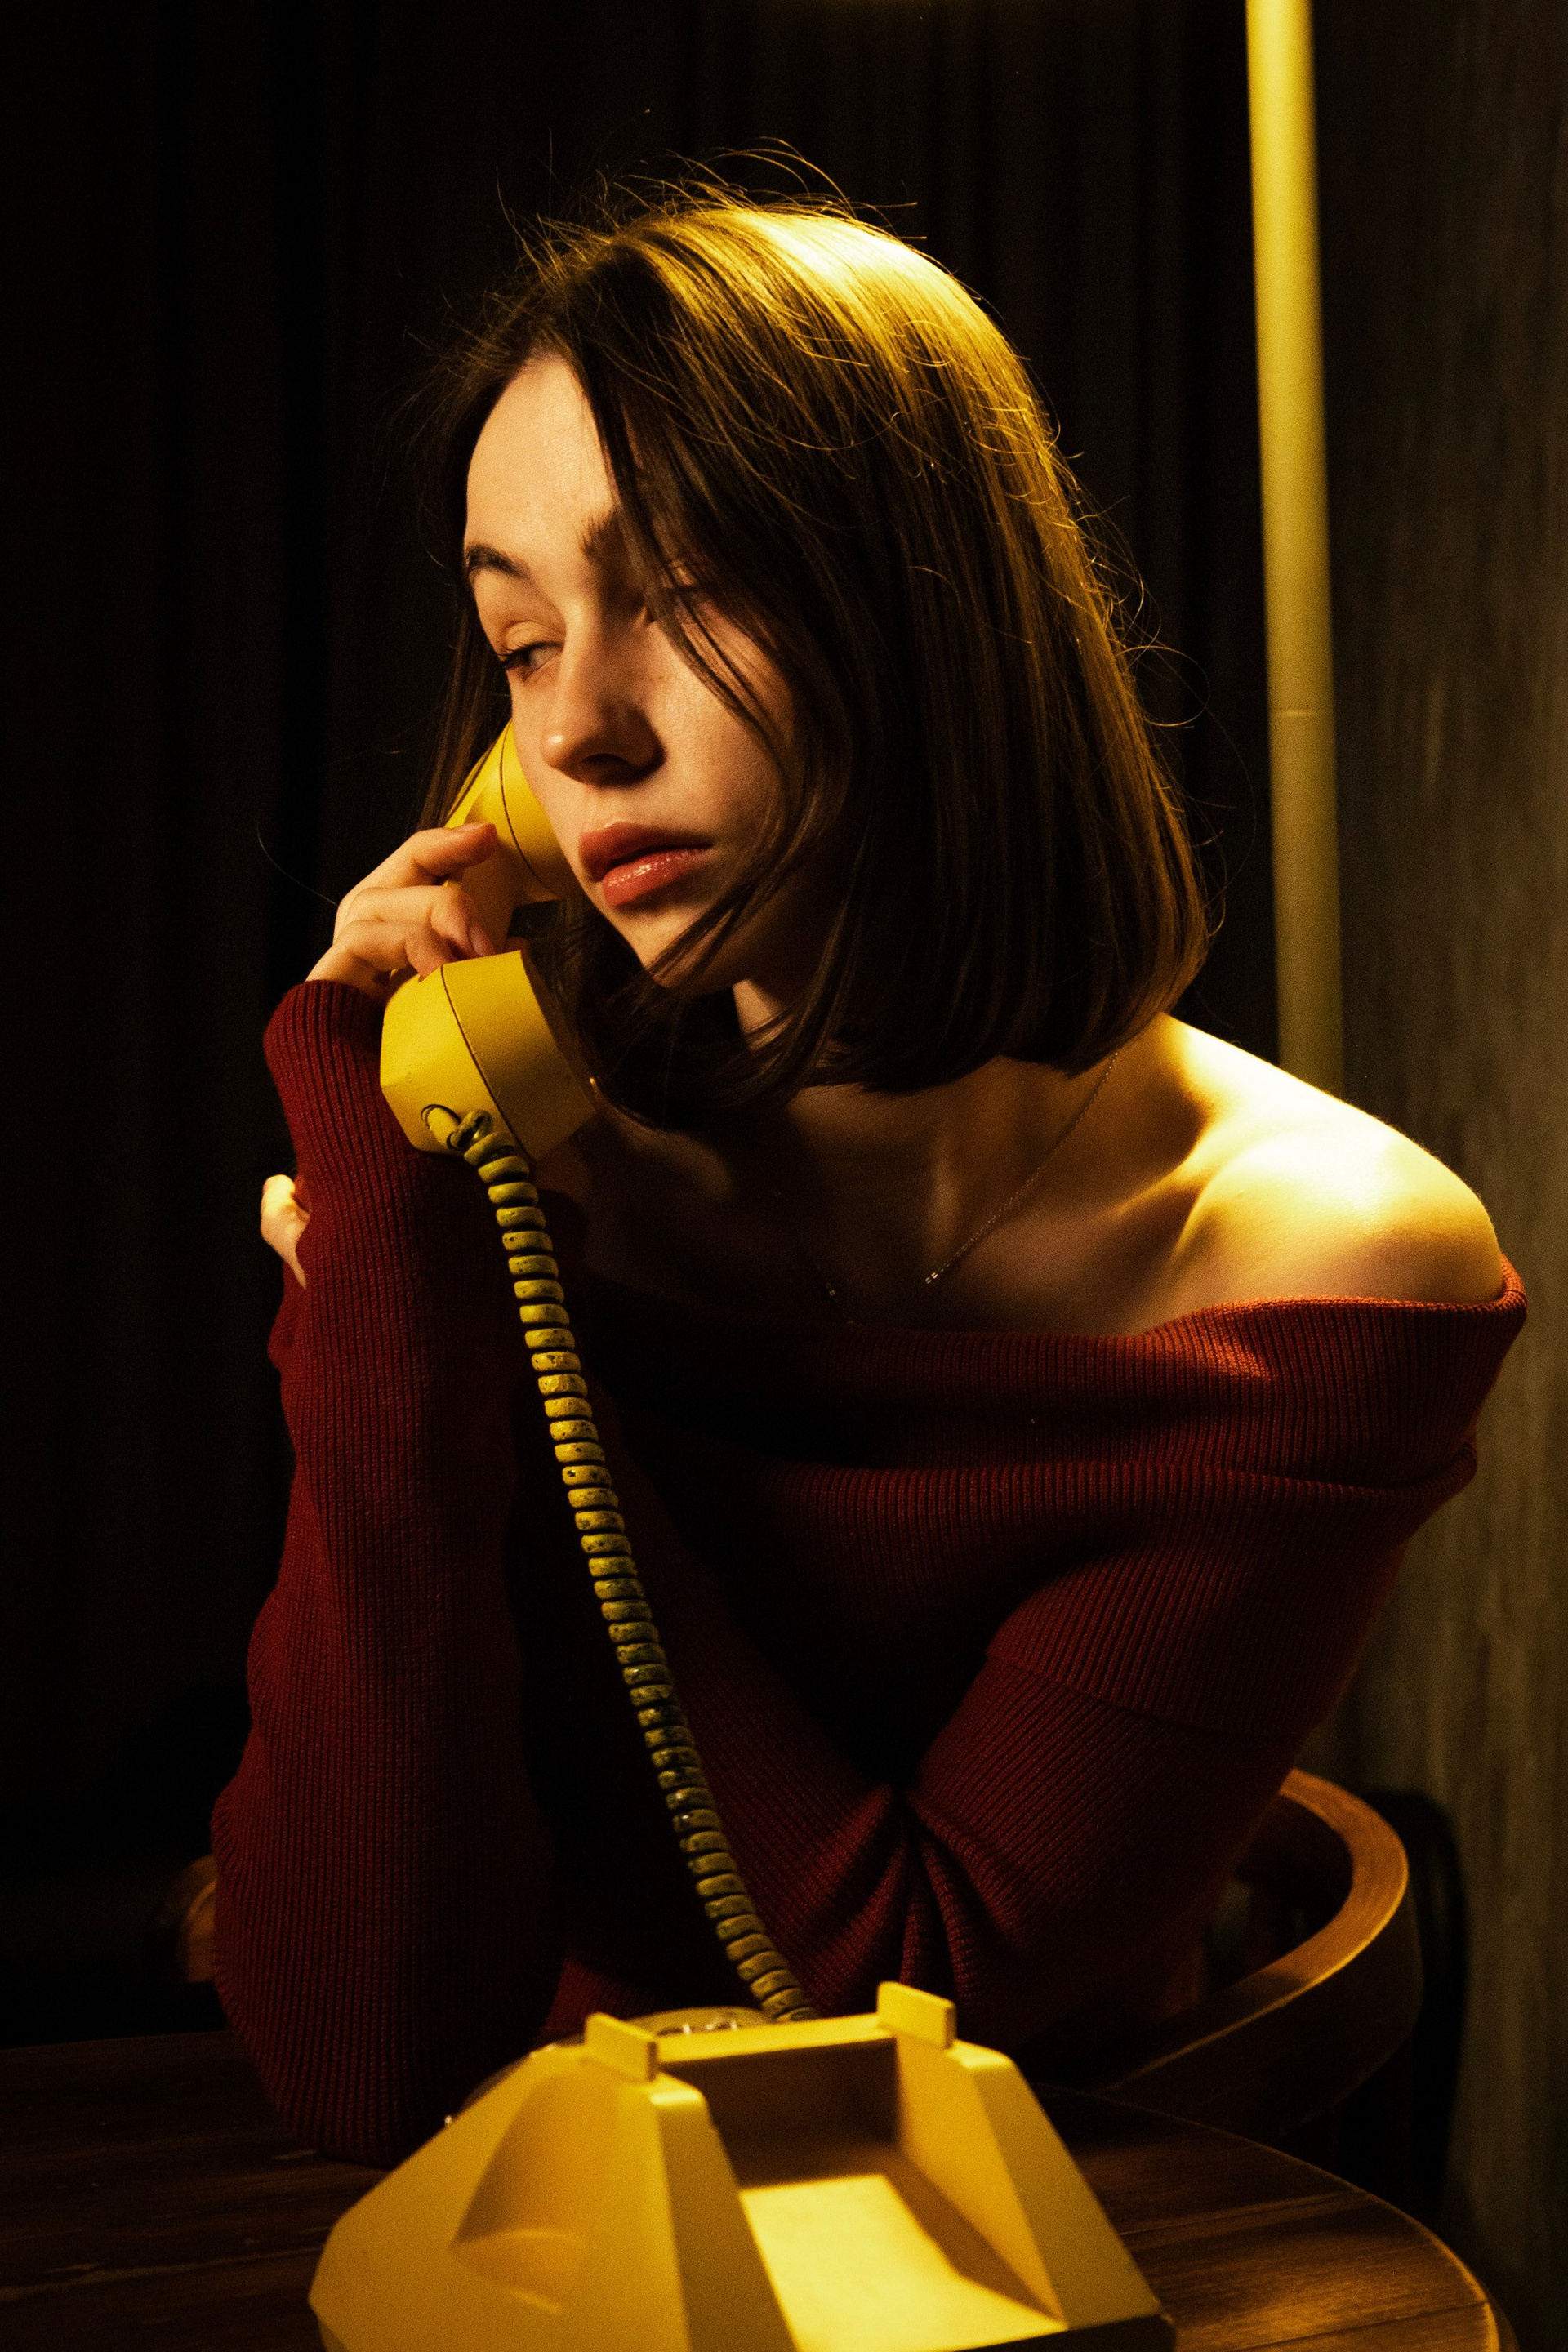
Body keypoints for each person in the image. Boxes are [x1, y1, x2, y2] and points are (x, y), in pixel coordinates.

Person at [225, 192, 1522, 2167]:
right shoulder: (507, 1183)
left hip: (1036, 2232)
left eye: (685, 594)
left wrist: (500, 1362)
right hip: (542, 2230)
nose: (577, 729)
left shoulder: (1325, 1266)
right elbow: (360, 2061)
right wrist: (409, 1297)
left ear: (938, 613)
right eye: (520, 641)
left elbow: (906, 2003)